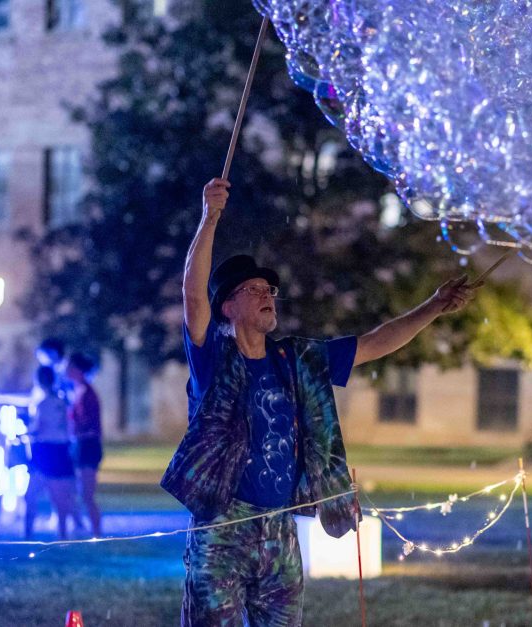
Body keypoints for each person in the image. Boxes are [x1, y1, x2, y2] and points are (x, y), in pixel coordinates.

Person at [161, 178, 477, 626]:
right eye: (255, 290)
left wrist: (433, 307)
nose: (268, 295)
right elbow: (193, 297)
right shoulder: (212, 359)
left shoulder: (297, 360)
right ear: (227, 307)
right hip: (222, 530)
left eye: (270, 290)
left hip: (281, 531)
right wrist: (209, 218)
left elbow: (372, 344)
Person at [24, 366, 77, 540]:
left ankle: (28, 536)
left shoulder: (42, 404)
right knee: (60, 498)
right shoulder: (63, 402)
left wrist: (25, 433)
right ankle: (63, 536)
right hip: (61, 451)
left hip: (45, 451)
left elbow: (39, 428)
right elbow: (69, 427)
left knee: (31, 495)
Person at [65, 352, 103, 537]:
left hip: (88, 446)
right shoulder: (77, 391)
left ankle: (97, 532)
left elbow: (90, 425)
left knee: (87, 494)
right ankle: (79, 525)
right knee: (74, 490)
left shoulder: (88, 393)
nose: (67, 371)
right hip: (79, 445)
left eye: (71, 368)